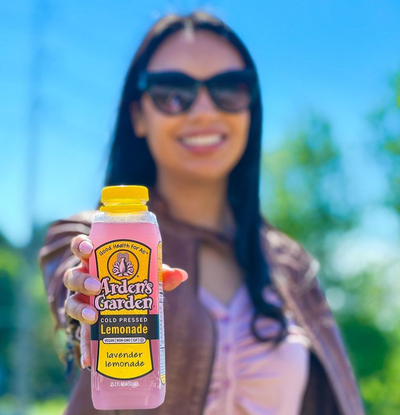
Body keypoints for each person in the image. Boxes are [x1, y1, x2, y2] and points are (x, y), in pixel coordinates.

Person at [38, 11, 365, 415]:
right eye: (173, 91)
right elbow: (72, 282)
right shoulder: (90, 235)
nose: (205, 110)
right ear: (138, 115)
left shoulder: (291, 265)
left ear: (251, 109)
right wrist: (86, 302)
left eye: (229, 88)